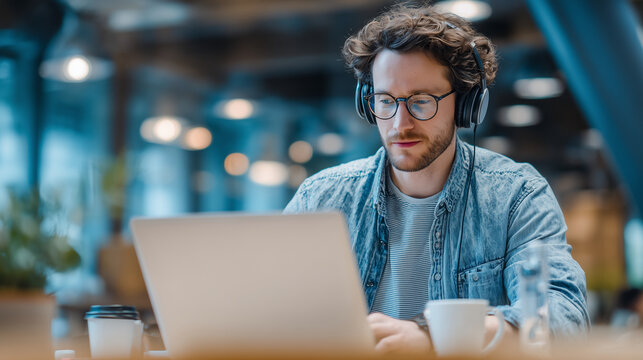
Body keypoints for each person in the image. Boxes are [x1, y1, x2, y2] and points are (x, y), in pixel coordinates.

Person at [284, 4, 589, 354]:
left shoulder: (517, 196)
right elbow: (271, 308)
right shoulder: (321, 199)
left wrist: (437, 336)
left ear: (465, 104)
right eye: (385, 101)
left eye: (421, 101)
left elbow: (563, 318)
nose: (400, 124)